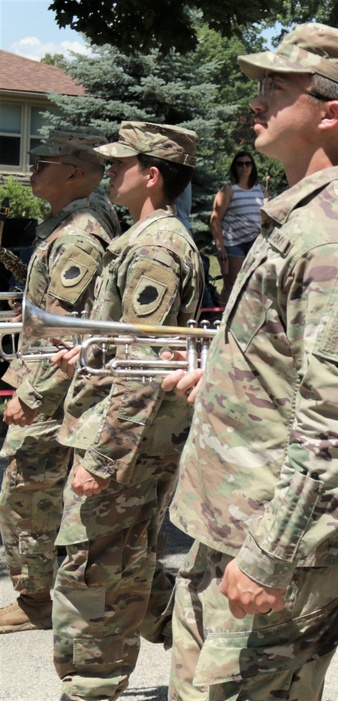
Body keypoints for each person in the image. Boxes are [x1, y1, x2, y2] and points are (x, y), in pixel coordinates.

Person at [161, 24, 338, 701]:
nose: (258, 101)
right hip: (234, 525)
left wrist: (270, 556)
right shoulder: (298, 220)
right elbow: (288, 371)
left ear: (330, 114)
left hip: (278, 543)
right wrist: (221, 381)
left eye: (277, 86)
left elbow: (335, 431)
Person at [48, 121, 203, 701]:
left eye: (120, 165)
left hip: (126, 443)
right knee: (116, 561)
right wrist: (86, 358)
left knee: (94, 571)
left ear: (152, 175)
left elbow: (143, 367)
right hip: (125, 433)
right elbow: (128, 347)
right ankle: (184, 633)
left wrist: (105, 457)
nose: (109, 173)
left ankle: (91, 687)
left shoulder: (155, 249)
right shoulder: (141, 240)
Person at [0, 128, 119, 636]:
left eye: (42, 162)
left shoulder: (78, 234)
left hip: (57, 391)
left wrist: (30, 394)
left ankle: (37, 601)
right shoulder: (65, 226)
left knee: (26, 494)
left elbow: (67, 330)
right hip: (54, 384)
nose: (31, 170)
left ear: (73, 172)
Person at [210, 151, 265, 306]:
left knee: (255, 283)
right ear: (235, 167)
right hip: (233, 244)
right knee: (232, 284)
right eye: (240, 163)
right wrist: (220, 247)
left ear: (252, 166)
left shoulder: (260, 190)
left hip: (255, 242)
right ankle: (222, 320)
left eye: (248, 163)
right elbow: (215, 219)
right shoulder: (228, 190)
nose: (244, 167)